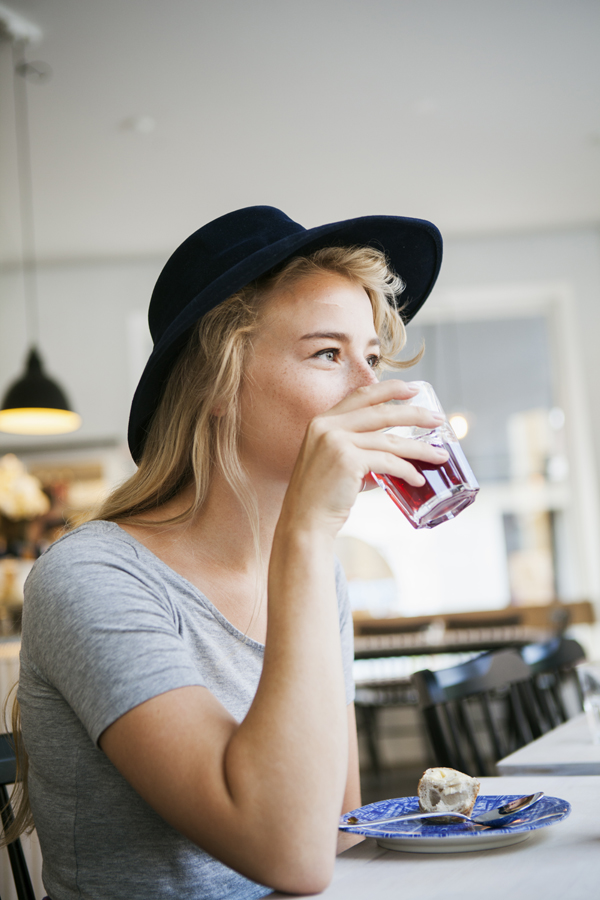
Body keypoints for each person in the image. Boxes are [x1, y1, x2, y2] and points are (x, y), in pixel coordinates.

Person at [12, 206, 444, 899]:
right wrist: (306, 536)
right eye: (327, 354)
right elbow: (289, 857)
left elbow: (338, 830)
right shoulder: (88, 578)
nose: (371, 390)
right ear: (218, 382)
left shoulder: (314, 572)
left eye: (371, 356)